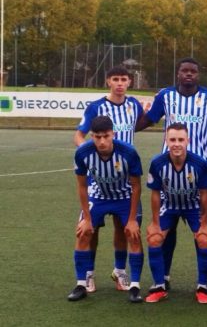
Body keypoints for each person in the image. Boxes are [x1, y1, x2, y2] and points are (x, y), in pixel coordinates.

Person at [137, 57, 207, 290]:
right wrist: (127, 122)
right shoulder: (166, 96)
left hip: (200, 172)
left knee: (202, 227)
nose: (189, 74)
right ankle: (164, 277)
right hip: (168, 171)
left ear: (199, 74)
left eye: (193, 71)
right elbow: (149, 119)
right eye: (184, 71)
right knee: (168, 226)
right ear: (178, 73)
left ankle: (203, 280)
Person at [74, 66, 144, 293]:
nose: (120, 83)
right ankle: (88, 274)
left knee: (123, 228)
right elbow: (79, 134)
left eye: (124, 79)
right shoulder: (96, 107)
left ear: (130, 82)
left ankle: (119, 271)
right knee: (89, 229)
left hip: (124, 179)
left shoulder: (134, 104)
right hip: (99, 181)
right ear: (108, 82)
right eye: (116, 79)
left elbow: (145, 122)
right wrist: (91, 155)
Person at [68, 116, 144, 303]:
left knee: (131, 234)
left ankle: (133, 285)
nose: (102, 141)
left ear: (113, 134)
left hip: (124, 197)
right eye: (97, 137)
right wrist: (86, 218)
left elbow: (136, 186)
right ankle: (82, 282)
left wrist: (133, 219)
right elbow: (82, 186)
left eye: (106, 136)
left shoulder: (128, 152)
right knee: (83, 232)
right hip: (98, 196)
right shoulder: (83, 153)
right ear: (92, 136)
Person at [144, 123, 207, 303]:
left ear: (187, 141)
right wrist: (155, 222)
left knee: (204, 238)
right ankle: (159, 286)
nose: (176, 144)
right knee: (154, 238)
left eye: (180, 140)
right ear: (166, 141)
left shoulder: (199, 163)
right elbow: (155, 195)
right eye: (172, 139)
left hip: (193, 206)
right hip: (169, 204)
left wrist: (204, 222)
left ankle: (202, 286)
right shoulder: (158, 163)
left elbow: (205, 195)